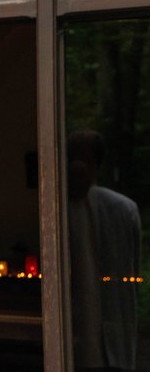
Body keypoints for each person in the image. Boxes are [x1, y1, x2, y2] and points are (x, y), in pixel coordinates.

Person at [67, 129, 141, 372]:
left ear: (95, 164)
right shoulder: (57, 213)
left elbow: (132, 273)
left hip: (112, 339)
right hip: (75, 344)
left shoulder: (122, 210)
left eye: (83, 159)